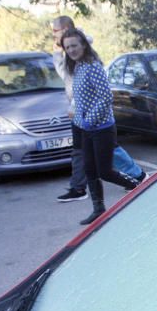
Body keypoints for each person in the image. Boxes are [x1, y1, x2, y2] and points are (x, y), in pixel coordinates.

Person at [61, 28, 139, 225]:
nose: (71, 50)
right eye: (67, 47)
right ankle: (99, 209)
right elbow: (80, 99)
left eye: (74, 46)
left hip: (102, 128)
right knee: (90, 170)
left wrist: (90, 119)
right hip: (85, 129)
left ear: (84, 45)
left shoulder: (92, 66)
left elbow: (106, 97)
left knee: (105, 171)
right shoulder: (77, 67)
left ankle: (140, 187)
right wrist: (79, 120)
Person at [51, 16, 88, 202]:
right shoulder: (67, 51)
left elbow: (80, 84)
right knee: (81, 151)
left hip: (84, 111)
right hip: (79, 111)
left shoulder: (81, 51)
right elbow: (65, 76)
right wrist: (58, 53)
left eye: (55, 31)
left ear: (65, 29)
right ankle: (79, 188)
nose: (53, 35)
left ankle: (137, 178)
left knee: (106, 151)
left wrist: (75, 106)